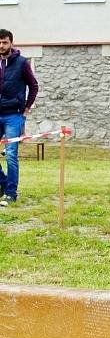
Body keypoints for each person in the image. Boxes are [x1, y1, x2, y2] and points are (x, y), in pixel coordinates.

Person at [0, 28, 39, 207]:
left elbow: (34, 86)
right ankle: (3, 183)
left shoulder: (22, 62)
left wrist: (26, 109)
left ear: (11, 43)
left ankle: (10, 193)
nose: (1, 46)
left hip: (13, 116)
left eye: (4, 42)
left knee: (11, 155)